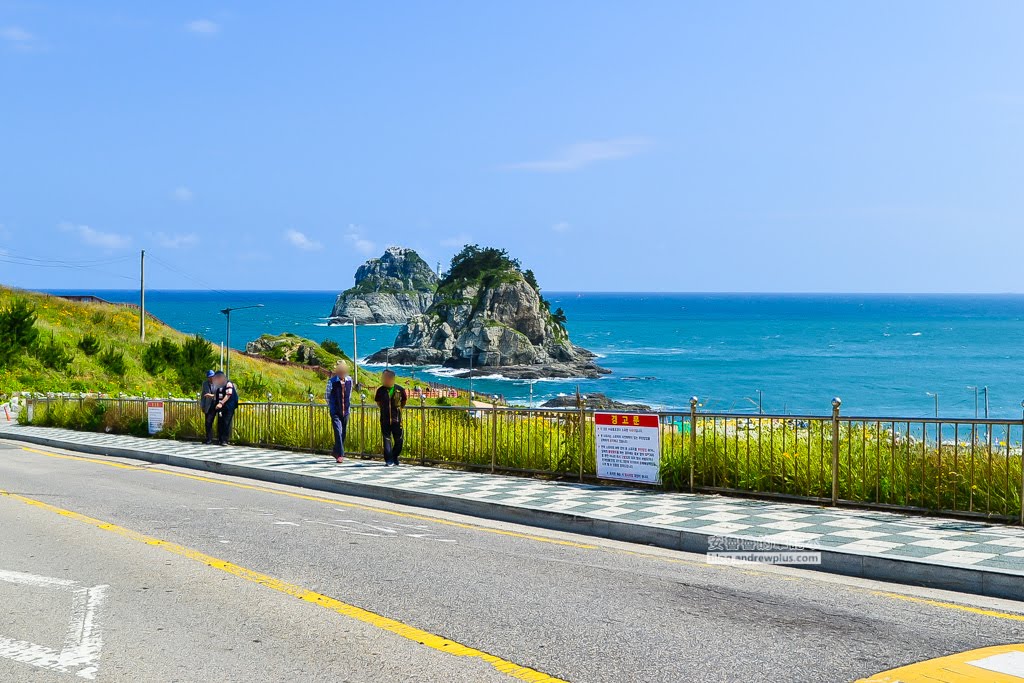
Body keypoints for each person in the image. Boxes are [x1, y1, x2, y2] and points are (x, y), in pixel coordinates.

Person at [374, 369, 407, 466]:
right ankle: (388, 459)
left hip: (397, 419)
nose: (383, 379)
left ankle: (394, 456)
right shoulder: (380, 390)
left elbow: (404, 401)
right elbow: (378, 402)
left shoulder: (400, 390)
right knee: (386, 439)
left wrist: (397, 410)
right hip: (385, 419)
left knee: (399, 440)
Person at [325, 361, 353, 463]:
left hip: (346, 410)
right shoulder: (331, 381)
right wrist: (332, 407)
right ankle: (340, 454)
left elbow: (349, 394)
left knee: (343, 432)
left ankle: (335, 451)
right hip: (335, 411)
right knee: (338, 431)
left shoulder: (350, 380)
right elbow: (327, 396)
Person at [212, 370, 239, 446]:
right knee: (220, 422)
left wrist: (221, 403)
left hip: (228, 407)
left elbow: (228, 394)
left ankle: (225, 440)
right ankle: (220, 439)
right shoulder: (219, 385)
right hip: (221, 407)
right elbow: (217, 395)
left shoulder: (228, 384)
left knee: (226, 423)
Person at [201, 370, 218, 445]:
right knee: (207, 422)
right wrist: (202, 405)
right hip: (208, 405)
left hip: (216, 404)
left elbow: (220, 394)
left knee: (212, 422)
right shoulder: (205, 384)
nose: (211, 378)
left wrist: (212, 396)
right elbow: (203, 395)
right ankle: (208, 438)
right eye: (209, 377)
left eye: (212, 376)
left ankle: (214, 439)